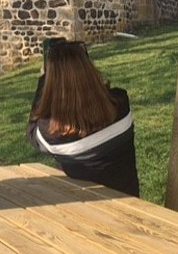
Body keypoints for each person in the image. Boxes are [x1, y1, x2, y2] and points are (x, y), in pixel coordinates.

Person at [27, 40, 140, 197]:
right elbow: (106, 94)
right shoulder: (121, 105)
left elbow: (32, 128)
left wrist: (44, 82)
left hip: (81, 211)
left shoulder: (50, 134)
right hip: (131, 205)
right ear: (90, 70)